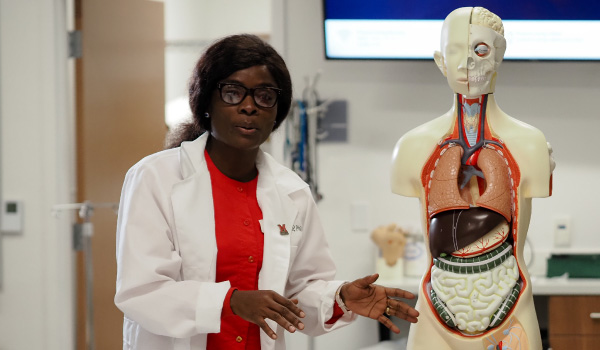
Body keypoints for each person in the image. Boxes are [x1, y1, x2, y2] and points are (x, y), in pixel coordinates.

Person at [115, 34, 419, 350]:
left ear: (277, 111)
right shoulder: (156, 178)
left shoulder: (292, 192)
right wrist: (230, 301)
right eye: (232, 93)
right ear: (206, 102)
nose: (249, 107)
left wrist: (340, 297)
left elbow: (300, 292)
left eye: (264, 96)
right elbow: (141, 292)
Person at [390, 7, 554, 350]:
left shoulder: (531, 143)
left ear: (500, 54)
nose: (467, 63)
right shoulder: (411, 146)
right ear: (440, 61)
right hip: (437, 304)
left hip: (511, 303)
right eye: (455, 52)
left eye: (480, 50)